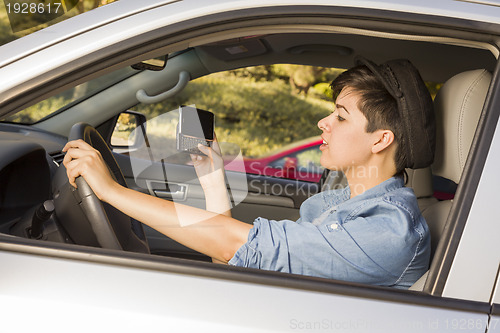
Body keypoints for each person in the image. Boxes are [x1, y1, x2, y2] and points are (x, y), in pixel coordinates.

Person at [63, 57, 435, 289]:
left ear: (381, 139)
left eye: (340, 116)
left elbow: (235, 246)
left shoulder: (388, 232)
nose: (323, 122)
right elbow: (234, 261)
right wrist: (212, 180)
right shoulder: (334, 202)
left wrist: (111, 192)